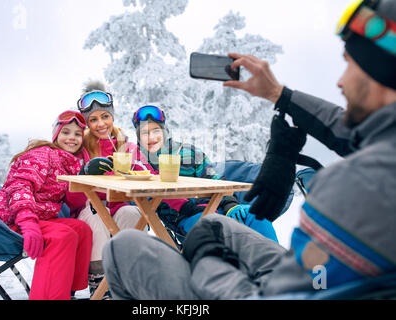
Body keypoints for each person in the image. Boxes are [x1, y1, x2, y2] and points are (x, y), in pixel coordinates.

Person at [101, 0, 396, 299]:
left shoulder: (359, 184)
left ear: (380, 71)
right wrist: (280, 95)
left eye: (348, 63)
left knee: (122, 247)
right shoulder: (136, 158)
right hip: (288, 267)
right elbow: (347, 131)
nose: (340, 81)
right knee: (216, 225)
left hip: (282, 289)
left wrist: (207, 261)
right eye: (145, 133)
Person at [131, 105, 278, 242]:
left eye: (156, 130)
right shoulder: (139, 163)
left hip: (217, 206)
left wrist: (230, 204)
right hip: (188, 218)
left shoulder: (189, 153)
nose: (151, 137)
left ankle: (278, 265)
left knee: (256, 216)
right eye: (144, 132)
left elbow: (216, 180)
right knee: (220, 228)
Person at [0, 110, 93, 300]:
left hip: (39, 218)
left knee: (81, 229)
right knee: (63, 236)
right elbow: (19, 186)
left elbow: (74, 200)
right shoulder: (43, 154)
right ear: (56, 134)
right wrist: (28, 223)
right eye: (66, 132)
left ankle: (67, 291)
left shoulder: (73, 164)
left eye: (78, 134)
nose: (72, 138)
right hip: (10, 219)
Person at [73, 80, 147, 297]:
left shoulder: (126, 145)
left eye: (105, 116)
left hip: (120, 204)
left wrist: (135, 167)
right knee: (96, 218)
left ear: (112, 116)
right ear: (87, 123)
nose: (100, 124)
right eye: (93, 119)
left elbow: (147, 172)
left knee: (132, 213)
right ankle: (100, 284)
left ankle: (130, 279)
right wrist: (85, 172)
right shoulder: (81, 147)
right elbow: (70, 191)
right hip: (89, 208)